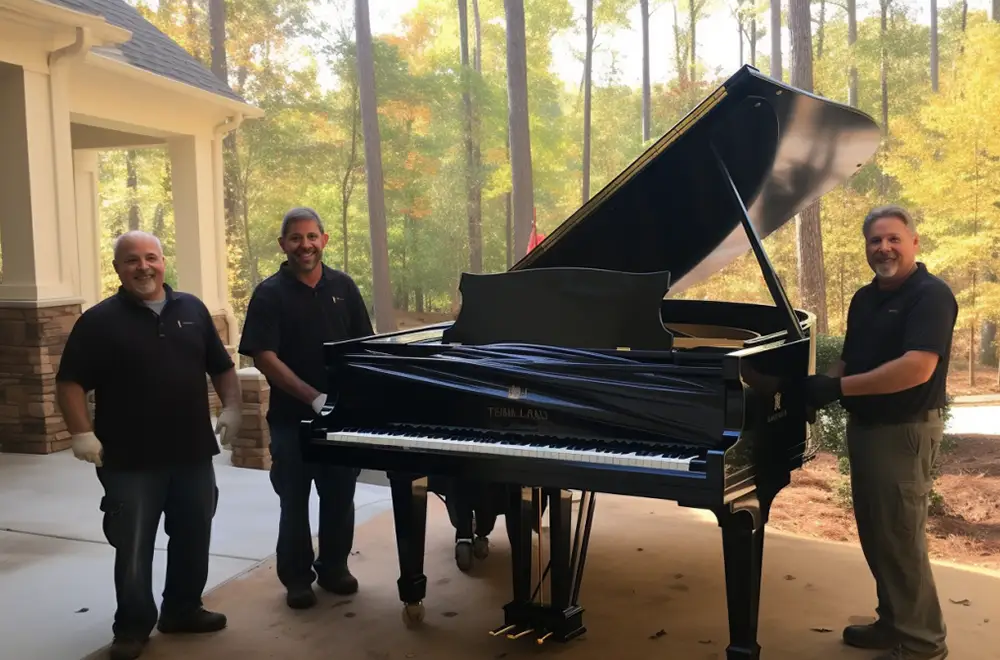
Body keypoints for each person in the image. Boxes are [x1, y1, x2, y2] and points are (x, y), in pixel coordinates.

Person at [55, 230, 243, 660]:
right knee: (134, 545)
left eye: (151, 258)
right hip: (129, 460)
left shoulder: (193, 310)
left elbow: (223, 367)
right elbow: (70, 383)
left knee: (194, 534)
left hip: (193, 453)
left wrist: (231, 407)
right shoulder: (99, 321)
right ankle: (133, 627)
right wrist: (81, 431)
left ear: (163, 261)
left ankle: (182, 609)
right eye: (132, 260)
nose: (143, 267)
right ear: (118, 269)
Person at [803, 205, 956, 660]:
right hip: (868, 429)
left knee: (900, 539)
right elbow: (849, 360)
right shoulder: (864, 298)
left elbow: (916, 369)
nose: (883, 248)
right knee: (878, 533)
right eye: (875, 240)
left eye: (893, 238)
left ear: (914, 242)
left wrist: (838, 387)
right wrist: (819, 390)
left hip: (903, 431)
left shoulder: (930, 295)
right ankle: (894, 623)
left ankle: (923, 644)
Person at [238, 207, 375, 610]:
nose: (305, 245)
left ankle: (333, 567)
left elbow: (362, 348)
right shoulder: (269, 293)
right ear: (283, 245)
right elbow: (264, 356)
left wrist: (360, 399)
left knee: (339, 495)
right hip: (290, 420)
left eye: (311, 236)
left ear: (324, 240)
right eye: (296, 238)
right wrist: (314, 398)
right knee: (294, 501)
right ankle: (297, 578)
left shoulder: (344, 287)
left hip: (341, 418)